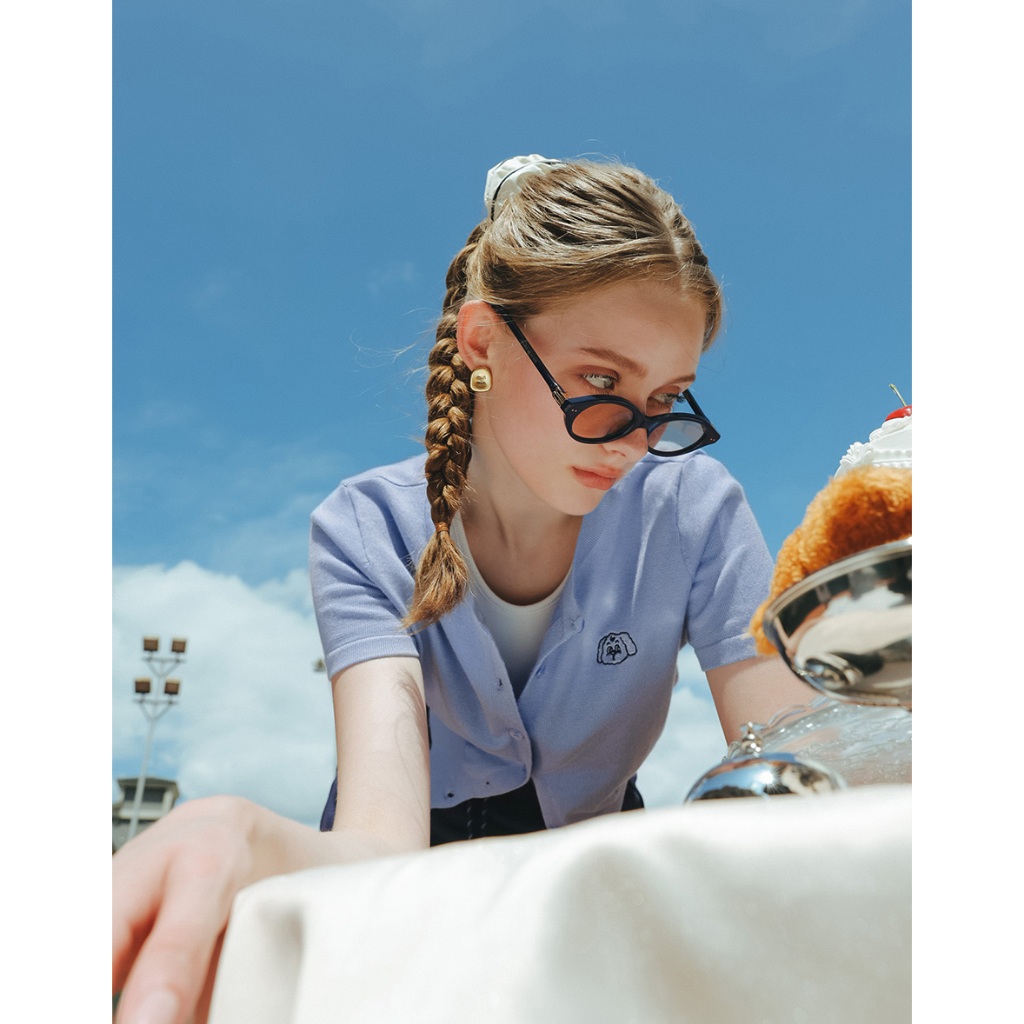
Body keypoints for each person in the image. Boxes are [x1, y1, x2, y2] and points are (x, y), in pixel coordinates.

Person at [112, 154, 812, 1024]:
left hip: (596, 876)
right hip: (417, 882)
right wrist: (240, 831)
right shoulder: (365, 528)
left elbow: (796, 765)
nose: (632, 439)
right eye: (601, 382)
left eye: (666, 397)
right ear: (482, 342)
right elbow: (380, 845)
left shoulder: (694, 509)